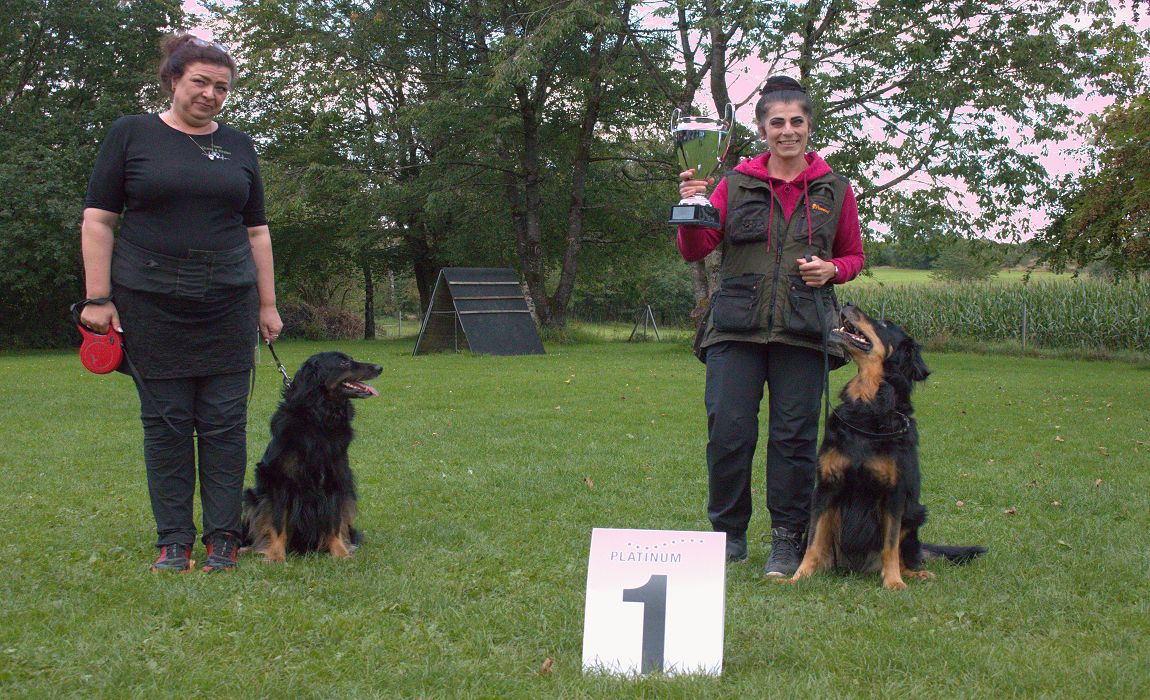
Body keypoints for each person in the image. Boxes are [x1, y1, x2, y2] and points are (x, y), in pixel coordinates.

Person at [79, 34, 283, 573]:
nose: (211, 94)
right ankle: (173, 541)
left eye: (222, 87)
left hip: (228, 302)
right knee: (166, 422)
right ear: (172, 80)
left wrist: (268, 305)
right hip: (150, 301)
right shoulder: (131, 134)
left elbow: (257, 231)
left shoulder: (239, 145)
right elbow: (99, 220)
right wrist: (97, 299)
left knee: (223, 422)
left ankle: (222, 539)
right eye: (200, 82)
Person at [676, 75, 865, 576]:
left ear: (809, 127)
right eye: (776, 122)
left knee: (794, 439)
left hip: (803, 331)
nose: (787, 131)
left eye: (796, 122)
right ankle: (728, 536)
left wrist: (833, 270)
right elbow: (695, 250)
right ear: (762, 128)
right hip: (735, 329)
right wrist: (692, 210)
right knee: (729, 434)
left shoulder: (835, 188)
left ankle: (787, 539)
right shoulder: (732, 184)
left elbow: (853, 255)